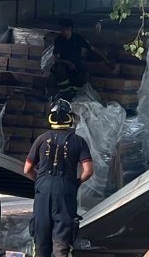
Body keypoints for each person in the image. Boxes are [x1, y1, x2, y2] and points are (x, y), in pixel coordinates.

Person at [24, 99, 93, 257]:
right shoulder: (79, 141)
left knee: (41, 244)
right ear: (70, 118)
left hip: (42, 193)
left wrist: (40, 181)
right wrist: (76, 182)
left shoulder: (41, 139)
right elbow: (88, 170)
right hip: (66, 192)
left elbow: (27, 169)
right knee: (62, 245)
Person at [51, 19, 107, 98]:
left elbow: (92, 48)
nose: (61, 31)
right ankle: (65, 92)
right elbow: (56, 58)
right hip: (64, 65)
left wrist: (105, 59)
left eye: (63, 29)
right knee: (57, 69)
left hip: (77, 66)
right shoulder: (59, 40)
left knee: (84, 74)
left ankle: (75, 92)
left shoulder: (77, 38)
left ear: (69, 28)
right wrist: (68, 63)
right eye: (61, 29)